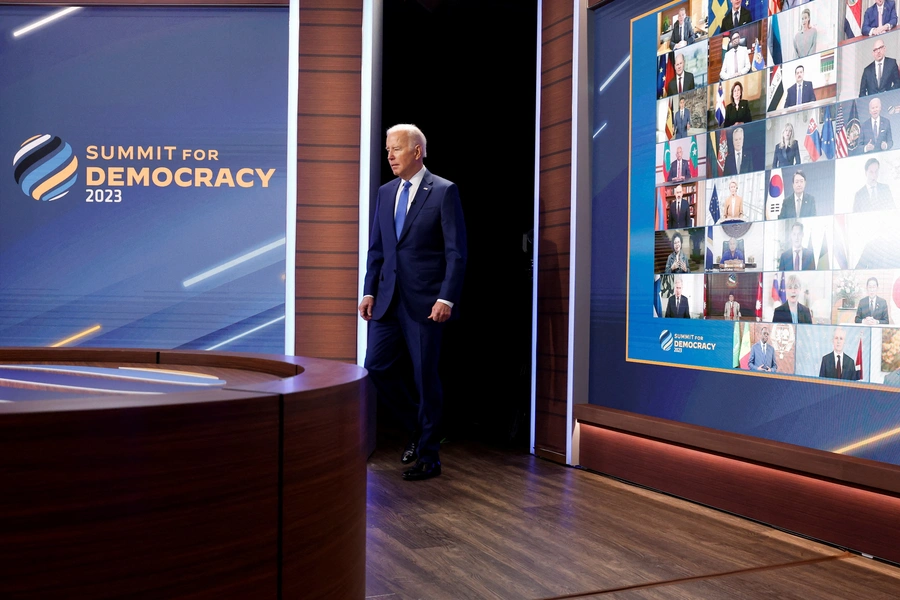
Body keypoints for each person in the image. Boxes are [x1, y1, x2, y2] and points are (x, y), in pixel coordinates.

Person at [359, 123, 467, 482]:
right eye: (388, 150)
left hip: (426, 302)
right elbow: (378, 248)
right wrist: (369, 290)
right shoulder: (385, 192)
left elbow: (456, 253)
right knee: (375, 366)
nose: (389, 155)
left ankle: (429, 457)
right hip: (387, 300)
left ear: (417, 151)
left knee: (425, 377)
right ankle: (419, 428)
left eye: (396, 149)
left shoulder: (443, 191)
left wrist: (446, 297)